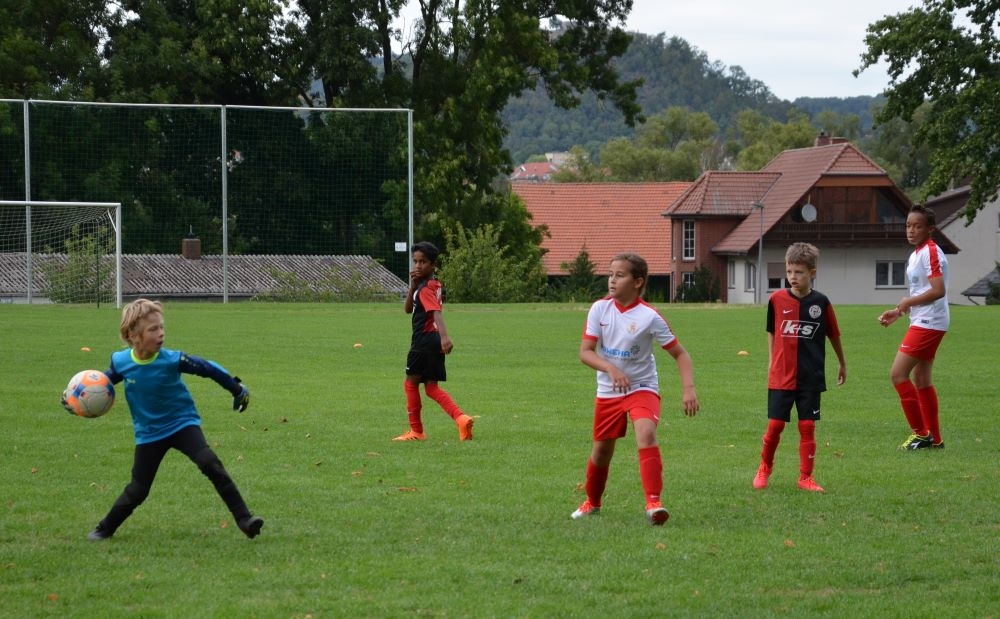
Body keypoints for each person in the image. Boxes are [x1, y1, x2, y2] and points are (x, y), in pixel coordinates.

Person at [70, 298, 263, 541]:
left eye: (162, 327)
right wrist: (76, 403)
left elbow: (207, 368)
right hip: (149, 433)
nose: (161, 333)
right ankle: (104, 529)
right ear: (133, 335)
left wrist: (237, 389)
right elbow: (100, 386)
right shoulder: (121, 362)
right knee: (138, 489)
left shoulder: (172, 360)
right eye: (153, 329)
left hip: (182, 423)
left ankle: (245, 520)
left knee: (210, 463)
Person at [570, 253, 699, 526]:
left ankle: (654, 504)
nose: (612, 280)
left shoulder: (649, 317)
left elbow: (681, 354)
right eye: (610, 274)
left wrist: (688, 389)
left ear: (638, 282)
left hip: (642, 387)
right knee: (601, 452)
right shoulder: (599, 309)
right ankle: (592, 502)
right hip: (609, 391)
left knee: (646, 432)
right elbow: (585, 352)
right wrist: (610, 368)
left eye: (620, 275)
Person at [753, 242, 846, 493]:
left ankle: (806, 477)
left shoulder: (821, 303)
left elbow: (834, 334)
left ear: (812, 273)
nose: (793, 277)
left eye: (799, 272)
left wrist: (842, 363)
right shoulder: (776, 300)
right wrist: (772, 359)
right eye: (789, 271)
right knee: (775, 425)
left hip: (810, 376)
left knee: (807, 426)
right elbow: (772, 330)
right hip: (781, 375)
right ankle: (764, 467)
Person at [878, 204, 949, 450]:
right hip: (924, 319)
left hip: (930, 322)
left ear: (930, 229)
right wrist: (898, 312)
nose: (911, 230)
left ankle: (921, 434)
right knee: (921, 378)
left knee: (897, 374)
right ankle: (935, 440)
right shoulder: (916, 254)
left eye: (917, 226)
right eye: (908, 225)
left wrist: (907, 302)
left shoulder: (931, 251)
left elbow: (938, 290)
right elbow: (922, 292)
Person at [393, 241, 474, 442]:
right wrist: (412, 287)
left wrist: (446, 337)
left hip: (423, 341)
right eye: (415, 261)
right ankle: (461, 418)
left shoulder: (425, 289)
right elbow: (407, 309)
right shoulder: (432, 285)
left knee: (410, 384)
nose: (418, 266)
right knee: (431, 388)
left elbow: (435, 312)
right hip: (433, 341)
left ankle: (416, 431)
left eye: (423, 262)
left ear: (433, 265)